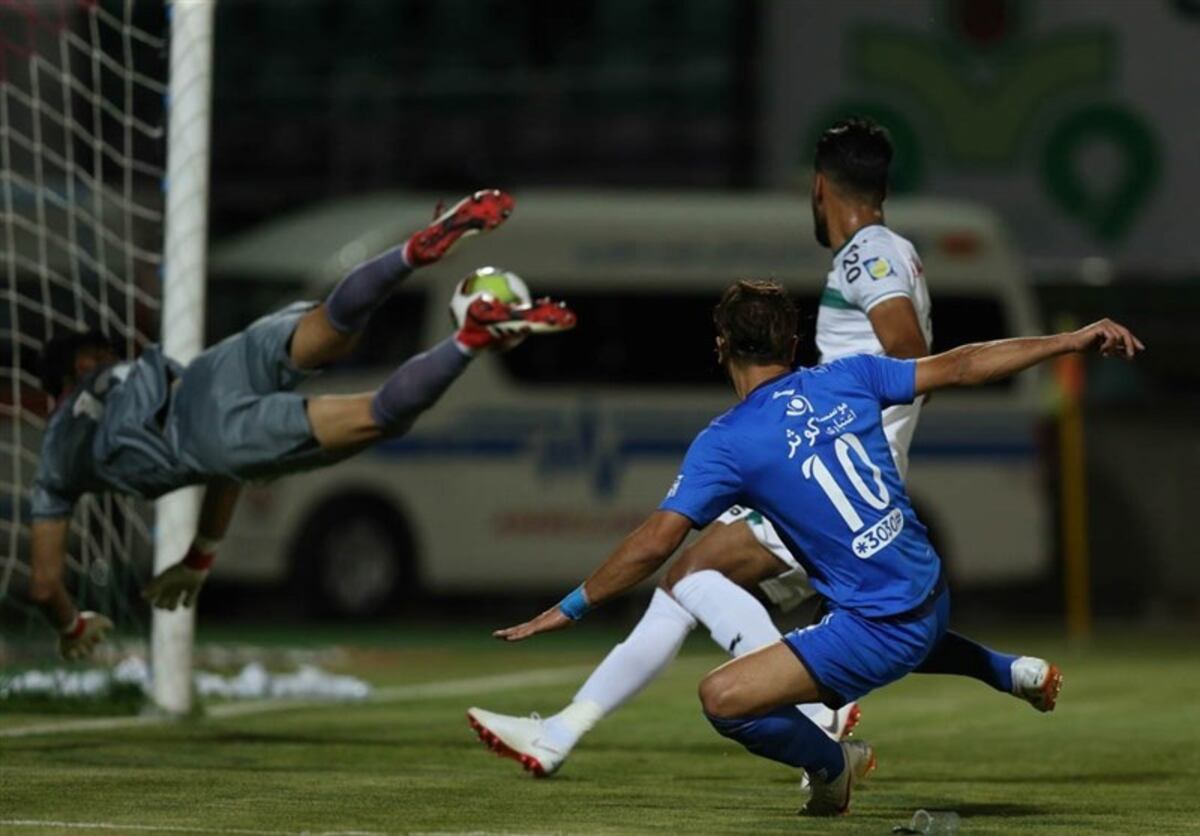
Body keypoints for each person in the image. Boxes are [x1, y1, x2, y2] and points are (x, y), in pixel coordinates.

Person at [468, 118, 1050, 776]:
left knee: (686, 576)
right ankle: (999, 671)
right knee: (749, 597)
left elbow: (913, 358)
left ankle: (802, 714)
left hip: (822, 480)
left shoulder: (865, 255)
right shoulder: (899, 249)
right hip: (842, 478)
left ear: (818, 186)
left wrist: (842, 435)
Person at [483, 280, 1141, 816]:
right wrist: (1071, 340)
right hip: (935, 591)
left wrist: (570, 604)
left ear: (721, 347)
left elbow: (657, 540)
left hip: (876, 635)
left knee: (723, 698)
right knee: (848, 605)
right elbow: (964, 364)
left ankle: (834, 765)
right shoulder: (846, 377)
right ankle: (1003, 669)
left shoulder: (727, 442)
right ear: (794, 342)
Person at [28, 189, 576, 660]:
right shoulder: (128, 370)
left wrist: (70, 625)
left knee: (376, 414)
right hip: (208, 371)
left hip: (204, 434)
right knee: (331, 324)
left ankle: (468, 339)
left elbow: (45, 583)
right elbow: (223, 472)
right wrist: (198, 557)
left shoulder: (57, 452)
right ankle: (411, 251)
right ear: (91, 361)